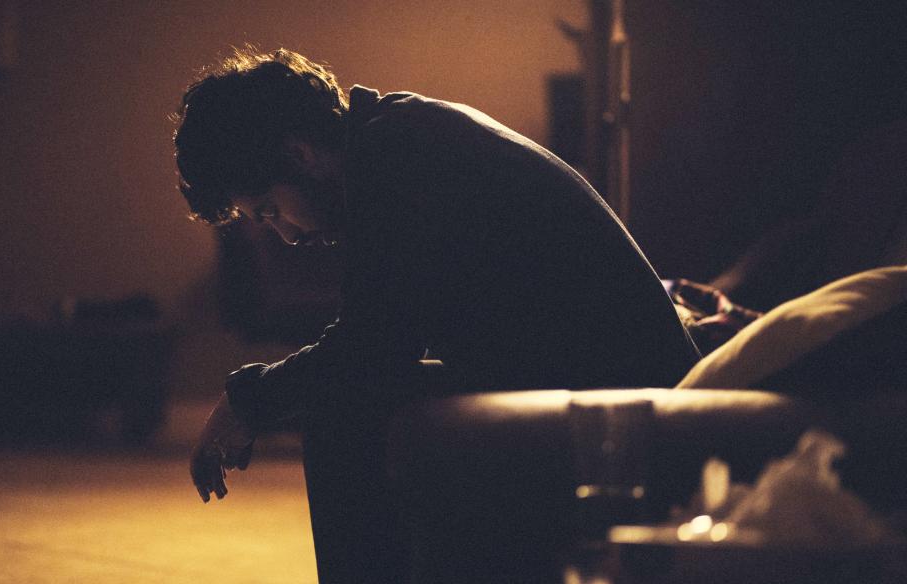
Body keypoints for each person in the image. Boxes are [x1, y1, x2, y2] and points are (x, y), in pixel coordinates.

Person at [175, 47, 700, 582]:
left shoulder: (396, 158)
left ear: (300, 154)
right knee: (351, 398)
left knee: (342, 409)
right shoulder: (394, 136)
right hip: (591, 387)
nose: (285, 234)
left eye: (270, 211)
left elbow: (369, 348)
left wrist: (248, 398)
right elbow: (379, 339)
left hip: (629, 416)